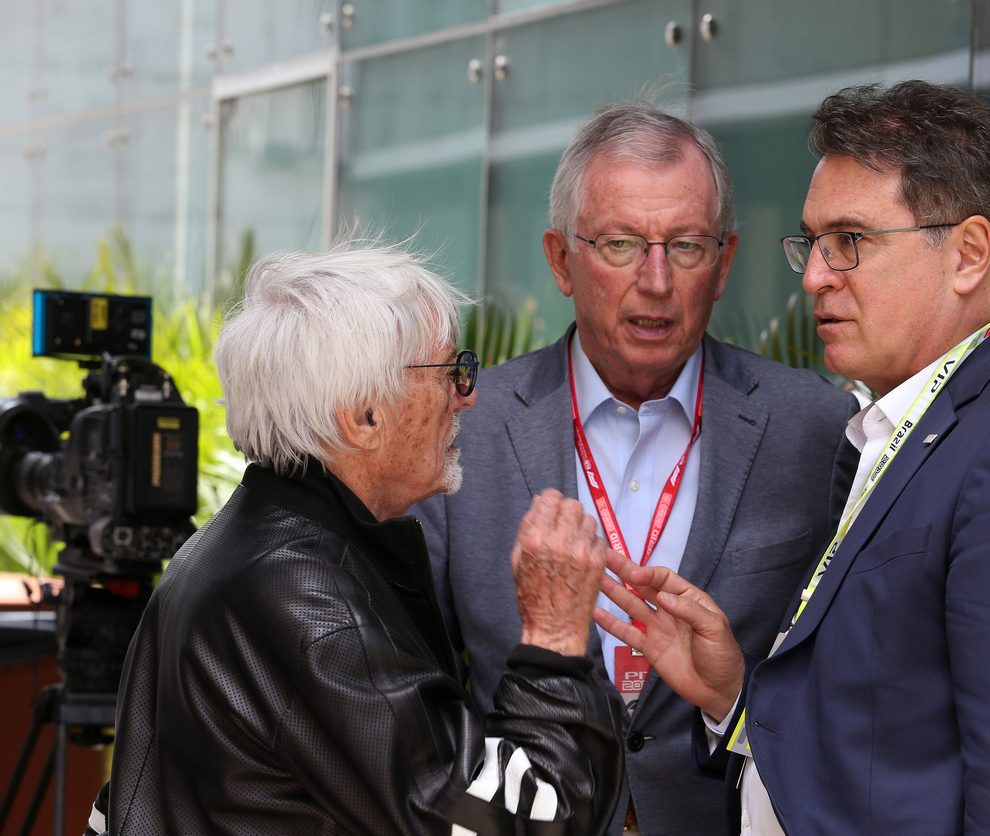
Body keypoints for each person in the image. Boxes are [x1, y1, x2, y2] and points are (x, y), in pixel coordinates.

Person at [595, 80, 990, 835]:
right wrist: (735, 699)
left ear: (968, 253)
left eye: (850, 241)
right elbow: (894, 743)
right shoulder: (913, 423)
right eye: (814, 242)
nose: (815, 275)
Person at [412, 104, 858, 835]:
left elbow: (854, 691)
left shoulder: (813, 429)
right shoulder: (468, 423)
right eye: (621, 244)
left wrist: (735, 699)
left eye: (685, 246)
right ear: (561, 259)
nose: (656, 280)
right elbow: (413, 698)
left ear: (724, 263)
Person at [86, 240, 624, 835]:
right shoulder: (308, 600)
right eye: (451, 372)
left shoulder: (248, 547)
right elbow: (521, 822)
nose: (467, 395)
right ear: (363, 416)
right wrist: (552, 642)